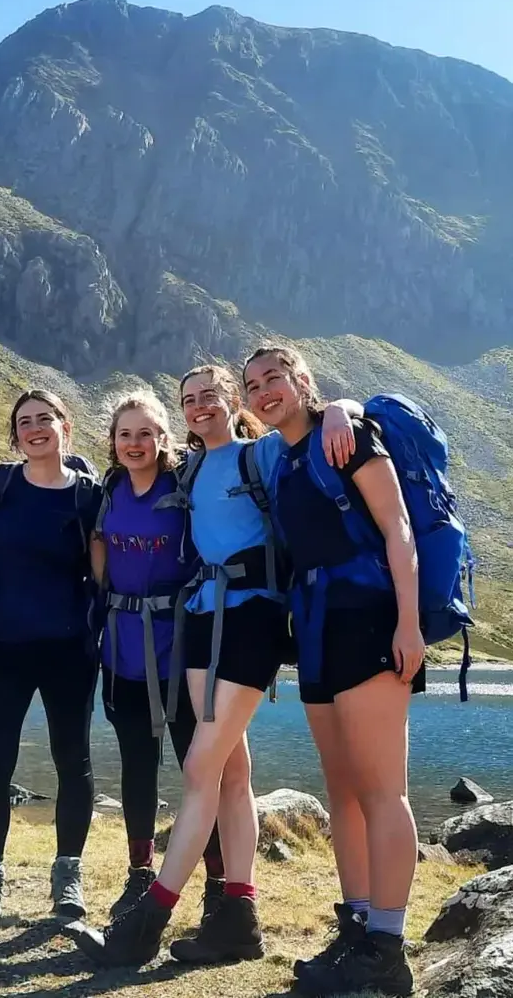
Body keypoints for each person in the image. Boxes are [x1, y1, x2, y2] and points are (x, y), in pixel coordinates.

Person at [73, 365, 360, 967]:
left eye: (210, 395)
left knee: (199, 766)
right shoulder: (190, 467)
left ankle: (146, 922)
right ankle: (237, 920)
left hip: (253, 618)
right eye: (189, 399)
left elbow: (319, 429)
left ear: (234, 399)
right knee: (231, 772)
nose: (199, 405)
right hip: (201, 618)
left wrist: (338, 407)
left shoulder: (263, 454)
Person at [244, 344, 422, 998]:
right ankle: (358, 926)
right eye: (252, 384)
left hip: (368, 619)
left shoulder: (347, 436)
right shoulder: (281, 458)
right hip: (315, 630)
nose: (263, 391)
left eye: (274, 377)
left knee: (382, 791)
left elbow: (398, 528)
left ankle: (388, 949)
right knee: (343, 789)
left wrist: (408, 623)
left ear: (303, 380)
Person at [0, 390, 101, 931]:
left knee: (72, 760)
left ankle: (68, 877)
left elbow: (105, 568)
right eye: (25, 422)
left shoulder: (87, 496)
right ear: (15, 434)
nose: (35, 428)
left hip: (70, 649)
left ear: (65, 427)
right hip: (4, 647)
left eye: (45, 419)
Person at [92, 391, 226, 924]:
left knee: (200, 769)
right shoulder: (109, 489)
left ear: (163, 438)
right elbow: (98, 549)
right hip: (121, 649)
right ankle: (140, 876)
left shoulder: (185, 485)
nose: (135, 443)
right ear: (113, 441)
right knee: (137, 765)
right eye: (125, 434)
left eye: (145, 433)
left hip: (182, 650)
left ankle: (218, 887)